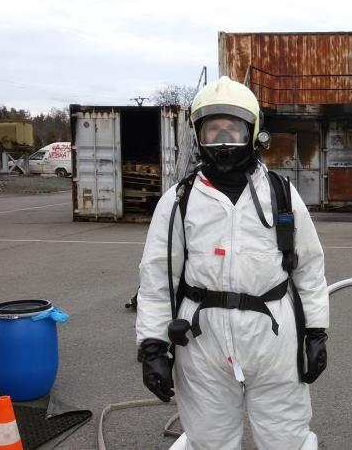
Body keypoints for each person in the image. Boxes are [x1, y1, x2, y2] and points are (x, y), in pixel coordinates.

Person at [135, 76, 329, 448]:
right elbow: (158, 277)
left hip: (274, 340)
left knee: (286, 437)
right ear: (198, 136)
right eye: (213, 131)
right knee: (208, 440)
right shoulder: (179, 201)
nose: (223, 141)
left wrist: (316, 332)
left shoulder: (282, 196)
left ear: (253, 132)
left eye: (233, 129)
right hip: (201, 343)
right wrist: (153, 347)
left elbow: (309, 269)